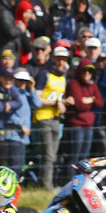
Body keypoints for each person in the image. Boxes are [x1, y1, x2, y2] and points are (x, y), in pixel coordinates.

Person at [32, 46, 69, 189]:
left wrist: (64, 103)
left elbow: (59, 98)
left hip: (56, 119)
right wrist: (56, 103)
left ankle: (44, 184)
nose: (61, 62)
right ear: (53, 58)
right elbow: (37, 97)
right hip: (43, 118)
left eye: (64, 59)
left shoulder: (62, 77)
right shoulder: (44, 74)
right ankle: (46, 185)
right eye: (59, 59)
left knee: (52, 155)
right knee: (47, 155)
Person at [63, 59, 103, 174]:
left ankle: (82, 181)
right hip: (76, 124)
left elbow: (100, 102)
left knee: (85, 157)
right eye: (84, 71)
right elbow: (80, 106)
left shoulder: (93, 84)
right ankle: (70, 181)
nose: (87, 74)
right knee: (74, 155)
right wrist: (91, 99)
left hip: (88, 125)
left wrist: (87, 100)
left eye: (90, 72)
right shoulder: (73, 83)